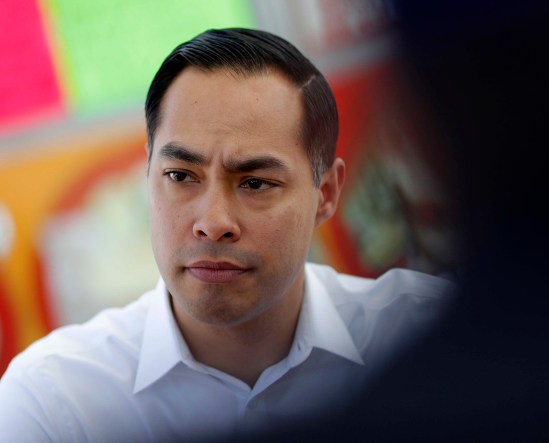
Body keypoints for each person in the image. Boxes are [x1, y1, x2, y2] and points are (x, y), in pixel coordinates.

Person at [0, 28, 455, 442]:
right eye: (180, 176)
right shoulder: (56, 402)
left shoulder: (430, 339)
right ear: (148, 177)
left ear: (326, 194)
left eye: (255, 182)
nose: (213, 221)